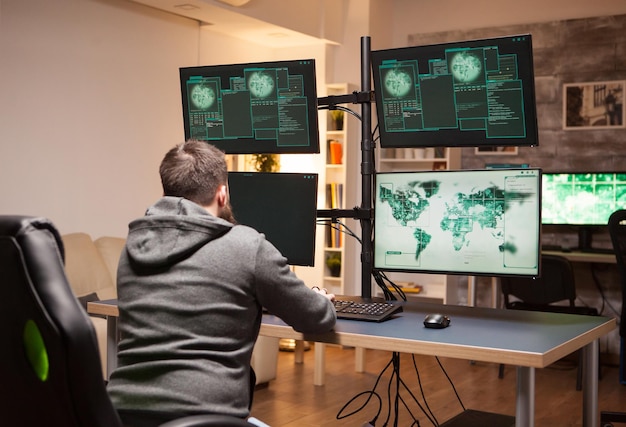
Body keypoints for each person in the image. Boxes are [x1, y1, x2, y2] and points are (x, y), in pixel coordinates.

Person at [107, 139, 336, 426]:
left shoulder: (133, 247)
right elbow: (315, 317)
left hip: (121, 415)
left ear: (167, 192)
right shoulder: (246, 245)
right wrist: (322, 301)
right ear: (223, 194)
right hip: (208, 418)